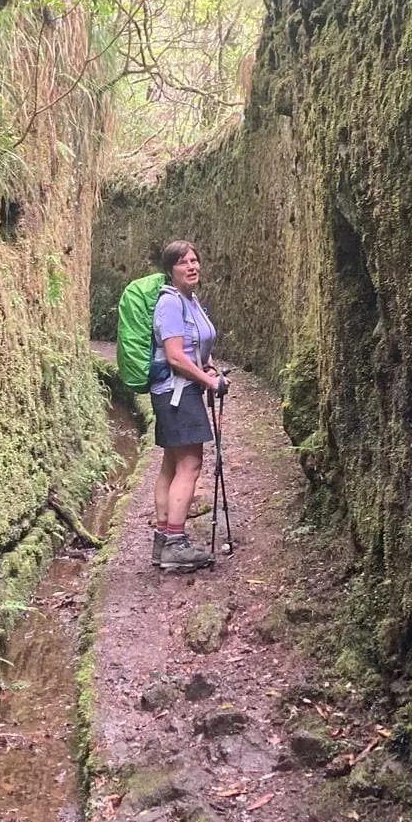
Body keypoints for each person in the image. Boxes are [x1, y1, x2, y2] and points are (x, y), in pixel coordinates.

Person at [149, 240, 224, 573]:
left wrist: (209, 369)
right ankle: (176, 546)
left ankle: (163, 540)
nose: (192, 266)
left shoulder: (192, 302)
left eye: (195, 260)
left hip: (180, 390)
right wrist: (208, 382)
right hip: (176, 393)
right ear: (170, 270)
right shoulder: (170, 303)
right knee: (190, 464)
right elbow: (176, 356)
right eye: (183, 262)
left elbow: (196, 350)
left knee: (172, 463)